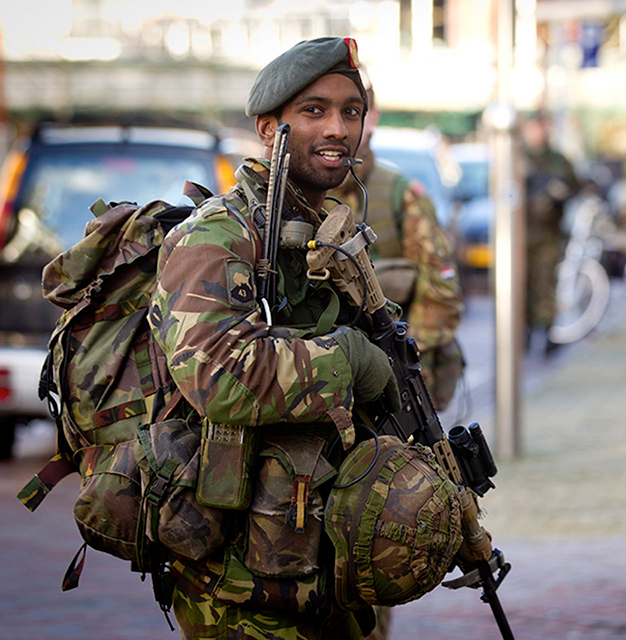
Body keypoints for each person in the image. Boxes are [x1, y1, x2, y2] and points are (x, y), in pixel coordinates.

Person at [149, 37, 402, 639]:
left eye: (350, 110)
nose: (338, 128)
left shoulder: (328, 236)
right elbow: (217, 375)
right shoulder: (219, 235)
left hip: (320, 563)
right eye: (314, 111)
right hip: (240, 585)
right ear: (270, 129)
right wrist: (350, 361)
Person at [328, 73, 464, 413]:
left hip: (395, 382)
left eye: (354, 113)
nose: (341, 128)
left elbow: (442, 297)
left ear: (372, 118)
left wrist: (394, 356)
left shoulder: (402, 197)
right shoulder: (300, 196)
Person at [518, 112, 580, 351]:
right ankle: (522, 331)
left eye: (542, 127)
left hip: (548, 233)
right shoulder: (517, 157)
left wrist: (559, 194)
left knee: (545, 282)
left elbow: (574, 185)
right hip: (520, 235)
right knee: (520, 285)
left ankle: (546, 332)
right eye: (535, 127)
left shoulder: (558, 160)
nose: (539, 132)